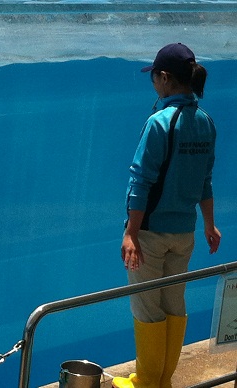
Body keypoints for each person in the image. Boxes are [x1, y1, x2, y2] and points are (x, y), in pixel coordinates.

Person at [112, 43, 222, 388]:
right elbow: (204, 180)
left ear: (164, 78)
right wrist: (209, 224)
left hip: (151, 234)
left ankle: (146, 382)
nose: (153, 85)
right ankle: (162, 380)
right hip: (185, 234)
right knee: (175, 303)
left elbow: (140, 180)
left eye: (154, 78)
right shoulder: (205, 122)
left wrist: (131, 233)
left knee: (147, 307)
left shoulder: (160, 122)